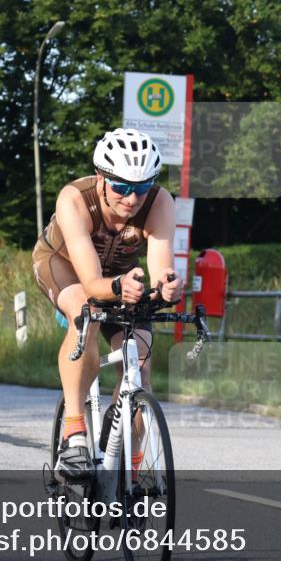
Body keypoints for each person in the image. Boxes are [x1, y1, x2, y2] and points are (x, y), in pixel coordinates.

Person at [32, 128, 184, 480]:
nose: (132, 198)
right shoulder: (74, 199)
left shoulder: (160, 202)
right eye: (122, 187)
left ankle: (126, 467)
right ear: (101, 178)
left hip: (121, 276)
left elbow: (161, 265)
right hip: (65, 265)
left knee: (141, 360)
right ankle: (73, 431)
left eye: (142, 188)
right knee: (87, 313)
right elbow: (91, 282)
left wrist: (166, 287)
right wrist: (116, 287)